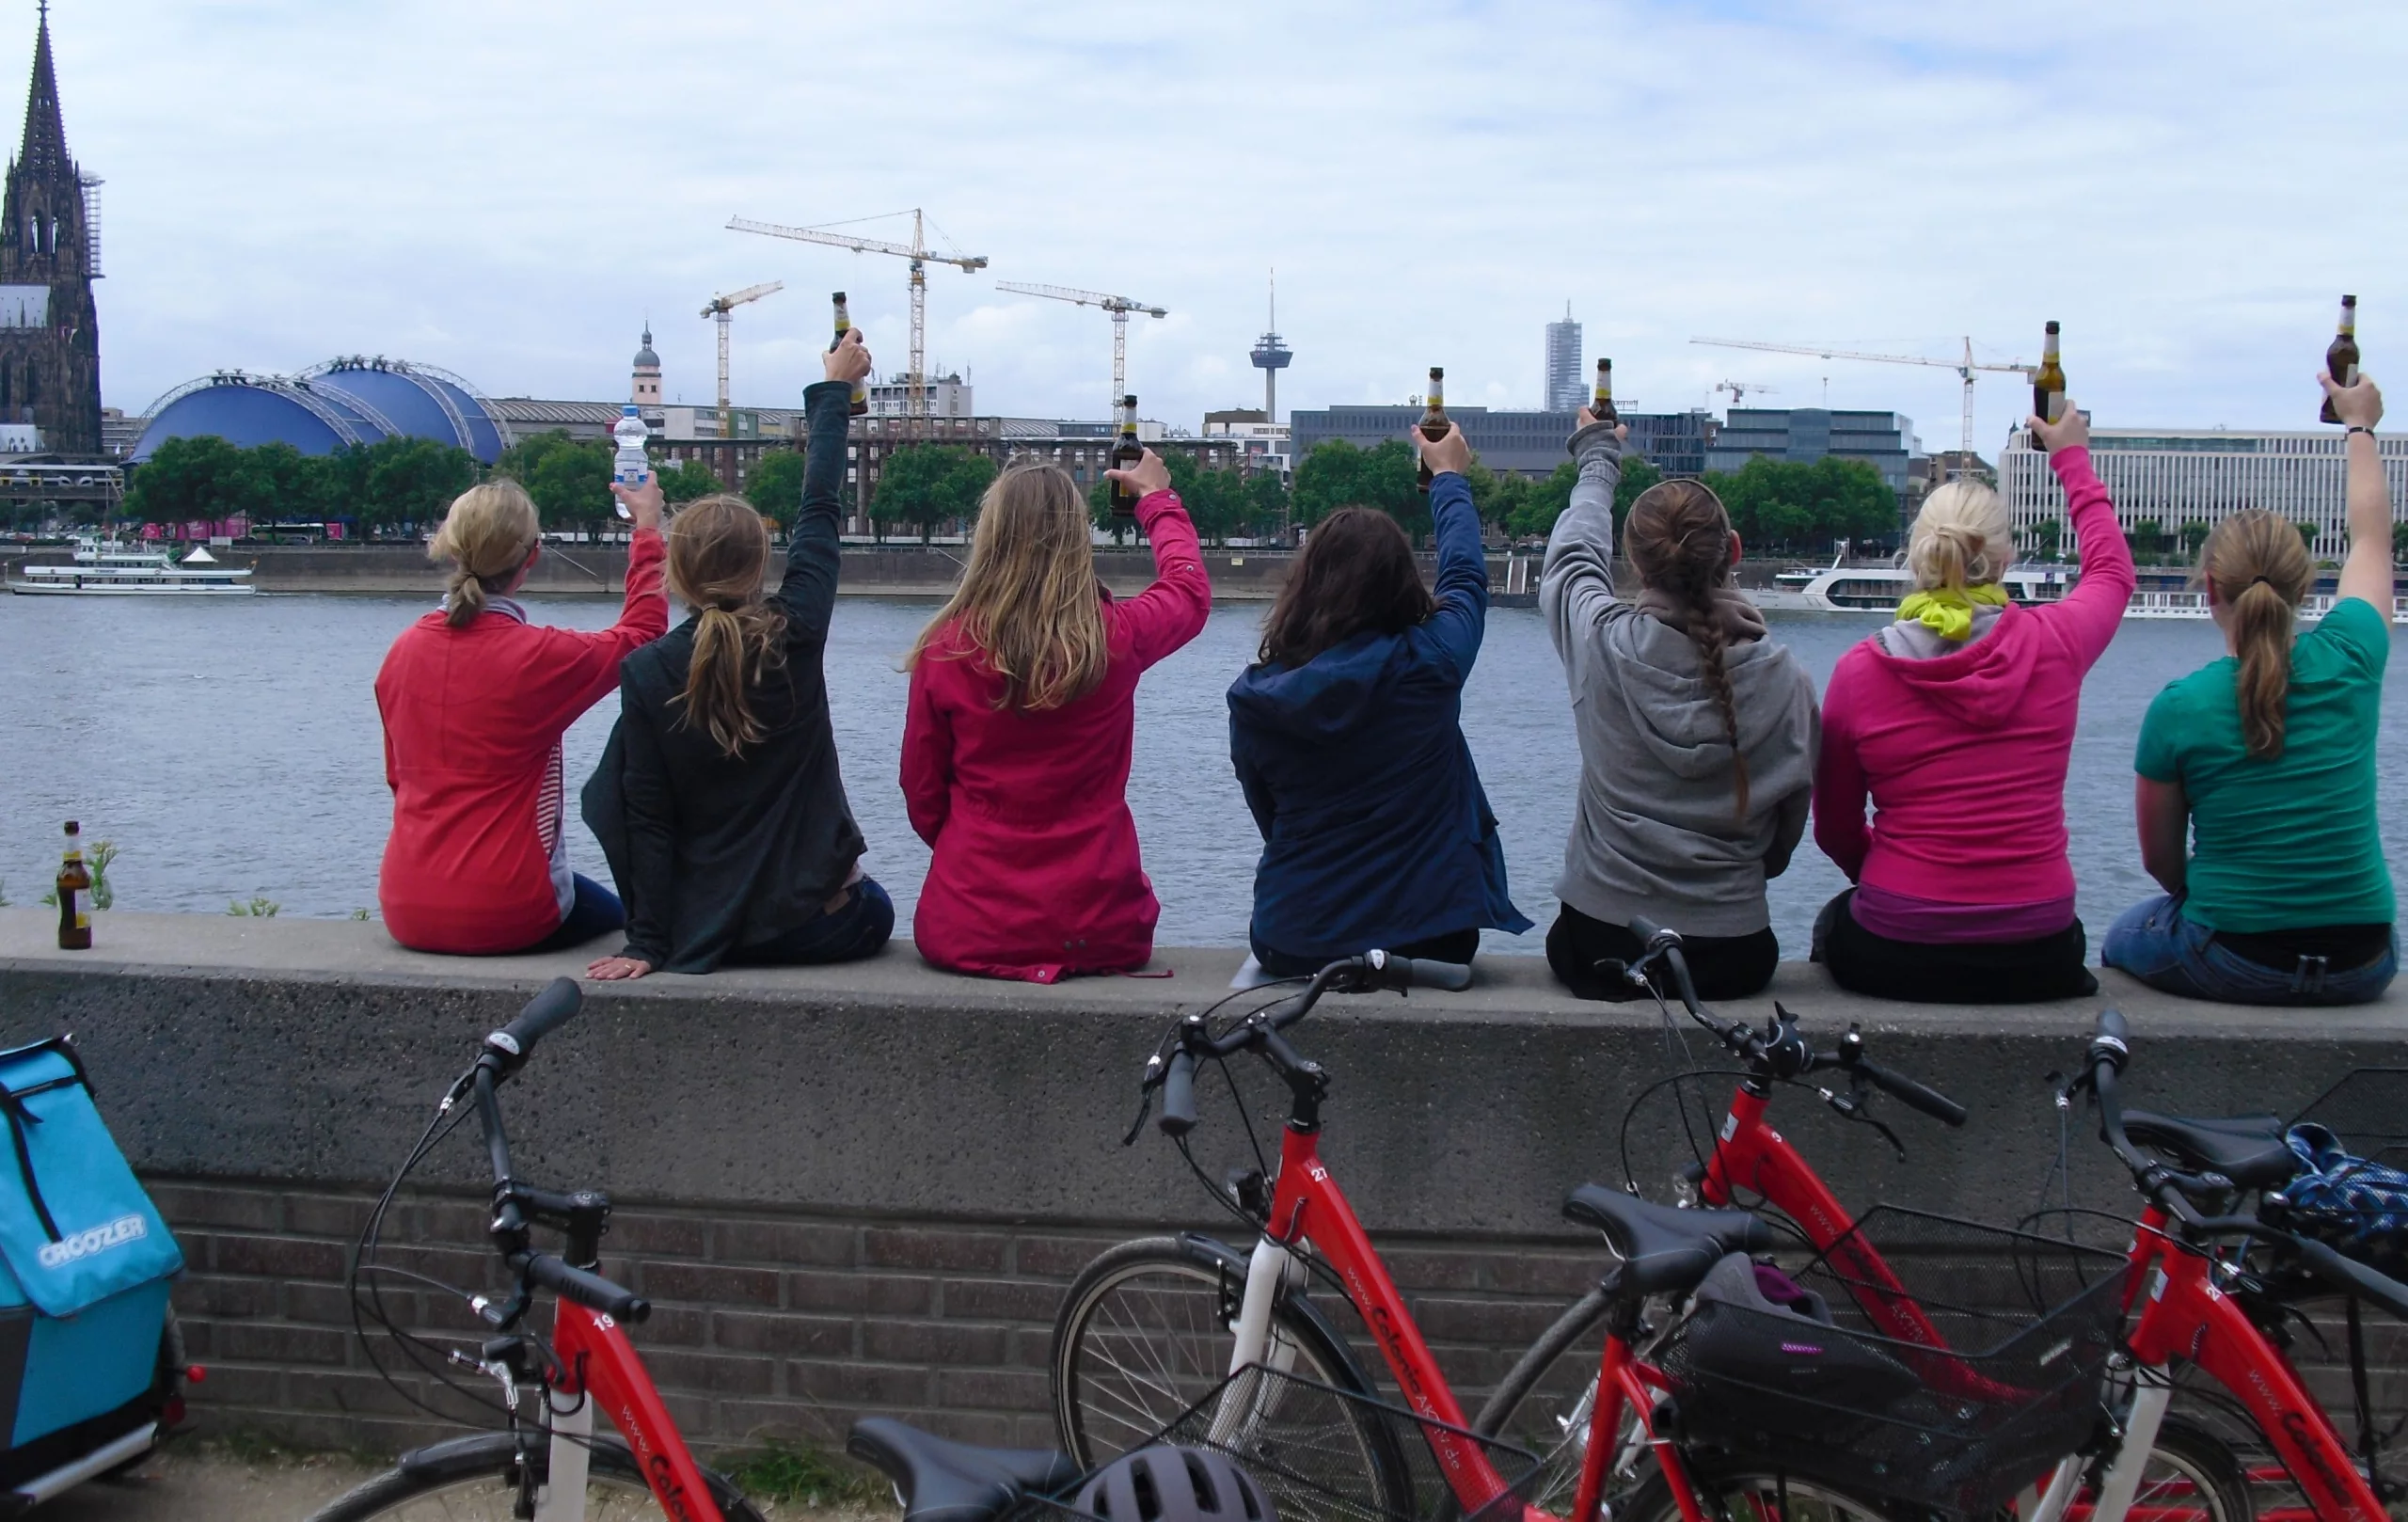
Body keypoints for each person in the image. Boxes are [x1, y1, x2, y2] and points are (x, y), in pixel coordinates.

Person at [581, 331, 892, 979]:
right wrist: (833, 392)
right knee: (875, 903)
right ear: (759, 567)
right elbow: (821, 506)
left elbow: (642, 815)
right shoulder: (794, 629)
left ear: (678, 576)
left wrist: (646, 943)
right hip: (819, 924)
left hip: (707, 934)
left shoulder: (645, 670)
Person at [1811, 402, 2133, 1002]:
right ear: (2006, 557)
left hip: (1899, 940)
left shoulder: (1861, 671)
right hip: (2039, 941)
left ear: (1916, 556)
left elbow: (1833, 828)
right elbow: (2112, 574)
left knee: (1833, 925)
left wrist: (1895, 882)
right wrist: (2071, 459)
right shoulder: (2057, 644)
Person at [2101, 374, 2398, 1005]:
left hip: (2236, 959)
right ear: (2307, 585)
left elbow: (2162, 865)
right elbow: (2372, 539)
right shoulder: (2353, 654)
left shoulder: (2180, 706)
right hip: (2363, 962)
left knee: (2126, 931)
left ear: (2209, 589)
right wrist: (2361, 428)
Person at [1228, 420, 1529, 978]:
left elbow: (1268, 815)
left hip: (1294, 936)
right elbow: (1464, 579)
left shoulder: (1256, 699)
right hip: (1434, 937)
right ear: (1403, 585)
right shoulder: (1430, 665)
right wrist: (1447, 478)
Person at [899, 450, 1210, 982]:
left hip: (968, 923)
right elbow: (1187, 591)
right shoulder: (1117, 638)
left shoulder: (946, 649)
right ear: (1076, 542)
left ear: (989, 539)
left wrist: (970, 852)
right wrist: (1158, 501)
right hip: (1100, 924)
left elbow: (922, 793)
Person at [1539, 410, 1818, 1000]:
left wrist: (1598, 459)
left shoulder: (1601, 643)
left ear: (1635, 564)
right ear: (1734, 550)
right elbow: (1785, 834)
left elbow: (1570, 559)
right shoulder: (1786, 678)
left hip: (1599, 945)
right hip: (1734, 951)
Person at [374, 474, 667, 955]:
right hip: (509, 908)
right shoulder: (538, 656)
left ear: (451, 551)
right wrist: (648, 528)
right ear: (530, 557)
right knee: (623, 921)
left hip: (406, 905)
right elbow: (642, 636)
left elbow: (397, 780)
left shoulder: (402, 652)